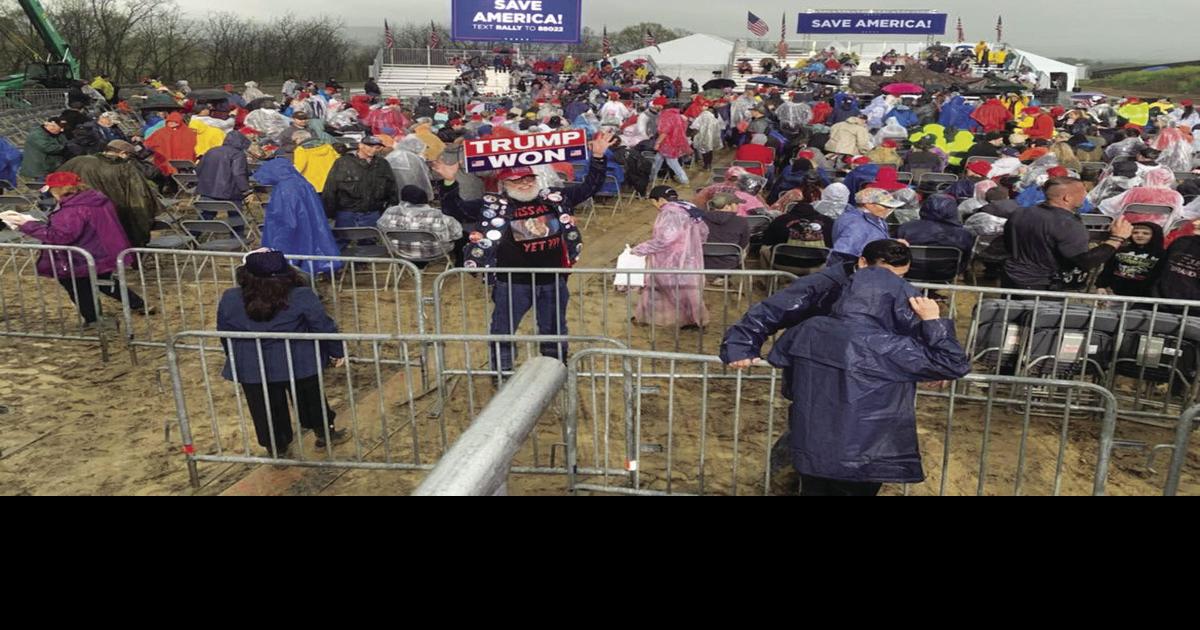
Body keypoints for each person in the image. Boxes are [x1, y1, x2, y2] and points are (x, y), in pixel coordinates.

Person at [766, 242, 970, 496]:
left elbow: (790, 384)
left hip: (814, 445)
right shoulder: (893, 346)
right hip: (867, 451)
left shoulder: (808, 329)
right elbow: (953, 363)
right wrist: (933, 321)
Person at [432, 130, 615, 372]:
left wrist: (598, 157)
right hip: (512, 281)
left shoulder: (555, 198)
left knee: (554, 328)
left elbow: (590, 187)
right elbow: (455, 210)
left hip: (553, 278)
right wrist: (448, 182)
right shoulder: (491, 205)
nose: (525, 183)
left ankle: (555, 367)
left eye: (529, 178)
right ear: (504, 184)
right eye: (517, 180)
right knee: (503, 329)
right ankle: (501, 370)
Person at [216, 250, 350, 457]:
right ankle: (325, 434)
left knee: (264, 409)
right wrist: (335, 351)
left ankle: (277, 449)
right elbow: (322, 326)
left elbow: (224, 331)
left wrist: (233, 357)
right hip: (298, 360)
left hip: (252, 364)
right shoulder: (301, 296)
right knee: (311, 399)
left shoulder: (230, 297)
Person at [0, 171, 146, 324]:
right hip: (99, 250)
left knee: (78, 287)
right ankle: (137, 304)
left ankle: (94, 319)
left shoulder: (73, 210)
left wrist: (27, 225)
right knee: (104, 280)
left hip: (79, 256)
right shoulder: (95, 200)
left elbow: (60, 236)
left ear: (58, 190)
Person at [1003, 177, 1134, 290]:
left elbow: (1009, 244)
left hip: (1011, 279)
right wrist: (1116, 238)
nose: (1086, 195)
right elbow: (1084, 262)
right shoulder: (1067, 223)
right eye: (1083, 192)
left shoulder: (1020, 213)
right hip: (1043, 285)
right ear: (1067, 198)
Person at [58, 140, 163, 248]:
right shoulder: (125, 169)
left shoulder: (77, 161)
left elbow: (55, 183)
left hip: (78, 217)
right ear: (123, 153)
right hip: (116, 218)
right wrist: (142, 230)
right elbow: (140, 198)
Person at [632, 186, 710, 329]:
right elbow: (704, 232)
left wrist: (641, 249)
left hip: (670, 257)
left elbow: (665, 239)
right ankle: (694, 319)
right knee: (688, 289)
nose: (655, 206)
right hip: (690, 256)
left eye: (654, 202)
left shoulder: (670, 212)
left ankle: (647, 316)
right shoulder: (689, 208)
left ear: (661, 200)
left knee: (657, 285)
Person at [253, 158, 341, 276]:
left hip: (293, 237)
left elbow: (287, 221)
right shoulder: (302, 182)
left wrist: (278, 246)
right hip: (309, 230)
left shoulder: (285, 189)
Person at [322, 135, 398, 230]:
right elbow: (330, 188)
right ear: (360, 145)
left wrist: (389, 210)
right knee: (343, 238)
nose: (373, 149)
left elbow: (392, 188)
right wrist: (329, 213)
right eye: (370, 146)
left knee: (371, 238)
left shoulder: (383, 164)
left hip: (373, 214)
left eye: (377, 147)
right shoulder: (342, 162)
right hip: (346, 214)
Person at [377, 185, 463, 260]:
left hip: (399, 252)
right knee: (463, 237)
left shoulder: (390, 212)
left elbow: (380, 228)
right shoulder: (438, 215)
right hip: (433, 252)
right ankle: (460, 264)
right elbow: (457, 234)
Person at [896, 194, 975, 271]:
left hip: (911, 271)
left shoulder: (906, 228)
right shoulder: (963, 235)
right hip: (947, 273)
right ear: (953, 211)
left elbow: (895, 254)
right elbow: (965, 261)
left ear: (925, 207)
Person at [829, 187, 904, 266]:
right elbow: (841, 253)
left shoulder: (875, 218)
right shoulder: (856, 224)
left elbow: (872, 238)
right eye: (886, 206)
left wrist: (893, 242)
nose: (890, 209)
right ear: (869, 204)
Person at [195, 131, 251, 232]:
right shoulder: (238, 154)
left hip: (208, 189)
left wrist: (204, 182)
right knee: (236, 216)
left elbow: (199, 169)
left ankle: (193, 235)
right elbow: (238, 173)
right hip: (230, 192)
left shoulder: (211, 151)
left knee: (206, 215)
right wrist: (246, 189)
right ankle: (237, 237)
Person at [1097, 222, 1165, 298]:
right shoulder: (1120, 250)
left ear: (1155, 235)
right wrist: (1101, 286)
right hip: (1115, 293)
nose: (1139, 235)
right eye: (1135, 232)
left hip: (1145, 297)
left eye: (1146, 233)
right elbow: (1108, 269)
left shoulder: (1161, 255)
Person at [701, 192, 750, 270]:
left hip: (703, 261)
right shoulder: (742, 221)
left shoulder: (700, 219)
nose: (738, 206)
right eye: (736, 204)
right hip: (730, 262)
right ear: (728, 206)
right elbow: (743, 244)